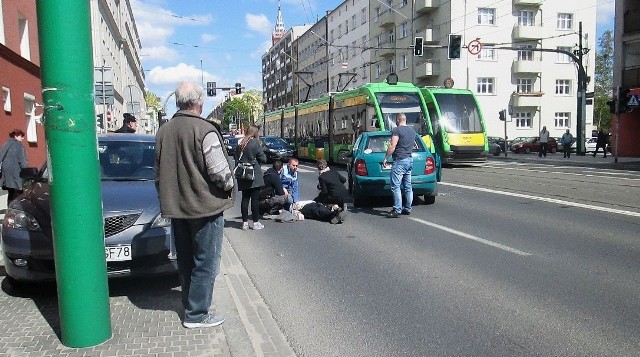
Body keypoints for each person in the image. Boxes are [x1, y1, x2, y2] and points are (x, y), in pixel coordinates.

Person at [155, 81, 235, 329]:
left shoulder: (163, 131)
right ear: (199, 101)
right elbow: (220, 173)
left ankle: (189, 304)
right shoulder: (205, 130)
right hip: (205, 207)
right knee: (206, 261)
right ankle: (197, 314)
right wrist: (230, 186)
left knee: (187, 260)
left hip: (177, 208)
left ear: (179, 101)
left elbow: (158, 173)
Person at [382, 113, 415, 218]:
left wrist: (386, 158)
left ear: (397, 120)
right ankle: (408, 208)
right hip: (409, 160)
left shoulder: (397, 130)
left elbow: (393, 145)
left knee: (396, 186)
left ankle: (397, 209)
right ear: (405, 120)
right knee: (408, 186)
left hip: (400, 160)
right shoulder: (412, 131)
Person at [236, 124, 267, 230]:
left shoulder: (240, 143)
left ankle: (244, 223)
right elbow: (263, 158)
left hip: (242, 175)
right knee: (255, 199)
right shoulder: (255, 143)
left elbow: (236, 159)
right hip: (254, 175)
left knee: (245, 199)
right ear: (255, 132)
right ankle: (255, 222)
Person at [0, 129, 28, 203]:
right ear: (15, 136)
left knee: (10, 194)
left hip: (6, 176)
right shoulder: (19, 145)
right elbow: (23, 162)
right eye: (21, 136)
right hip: (17, 175)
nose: (22, 138)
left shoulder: (5, 145)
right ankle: (16, 210)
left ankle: (10, 209)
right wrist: (27, 174)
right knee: (18, 195)